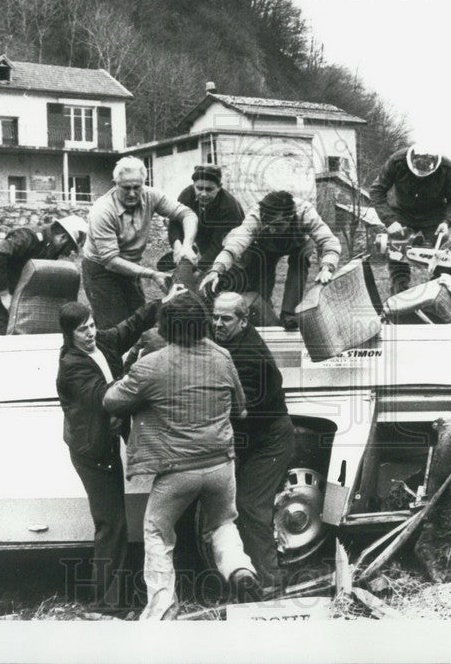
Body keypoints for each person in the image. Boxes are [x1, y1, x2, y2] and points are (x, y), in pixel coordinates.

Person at [103, 290, 259, 620]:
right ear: (203, 322)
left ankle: (163, 608)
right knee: (222, 524)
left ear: (166, 326)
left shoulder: (151, 365)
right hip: (221, 464)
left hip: (177, 470)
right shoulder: (222, 356)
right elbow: (242, 410)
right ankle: (240, 569)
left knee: (158, 533)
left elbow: (111, 401)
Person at [56, 284, 186, 612]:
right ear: (69, 334)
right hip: (92, 452)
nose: (90, 333)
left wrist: (162, 303)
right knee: (111, 526)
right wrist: (140, 368)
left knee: (114, 524)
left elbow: (130, 326)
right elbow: (107, 397)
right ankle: (104, 603)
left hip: (103, 443)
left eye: (91, 325)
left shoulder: (100, 342)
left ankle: (111, 598)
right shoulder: (72, 366)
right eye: (82, 330)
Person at [212, 292, 294, 591]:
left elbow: (238, 411)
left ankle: (271, 583)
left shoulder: (249, 357)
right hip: (254, 436)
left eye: (226, 319)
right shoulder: (231, 337)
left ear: (244, 321)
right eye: (215, 316)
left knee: (250, 506)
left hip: (269, 440)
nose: (217, 324)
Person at [82, 158, 198, 328]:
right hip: (101, 270)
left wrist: (187, 245)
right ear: (115, 184)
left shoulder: (151, 195)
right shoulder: (103, 210)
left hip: (130, 267)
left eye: (137, 187)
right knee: (114, 328)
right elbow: (110, 261)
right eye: (126, 188)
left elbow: (187, 214)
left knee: (140, 322)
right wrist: (152, 274)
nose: (132, 193)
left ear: (144, 183)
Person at [199, 190, 341, 330]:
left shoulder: (305, 212)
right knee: (262, 284)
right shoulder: (255, 217)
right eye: (269, 225)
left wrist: (327, 266)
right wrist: (217, 269)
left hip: (298, 244)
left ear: (291, 217)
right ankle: (265, 314)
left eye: (277, 225)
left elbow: (329, 241)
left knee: (300, 261)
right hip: (267, 246)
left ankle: (289, 314)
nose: (272, 230)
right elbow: (235, 245)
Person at [368, 141, 451, 295]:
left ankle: (439, 295)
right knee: (397, 254)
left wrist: (447, 222)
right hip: (403, 214)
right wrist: (390, 221)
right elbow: (377, 191)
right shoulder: (396, 161)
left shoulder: (448, 168)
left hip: (435, 217)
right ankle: (399, 294)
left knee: (442, 257)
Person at [0, 215, 87, 335]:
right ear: (63, 237)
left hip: (7, 296)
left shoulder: (48, 247)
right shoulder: (27, 236)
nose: (68, 253)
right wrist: (4, 295)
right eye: (71, 248)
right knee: (1, 335)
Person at [167, 165, 245, 273]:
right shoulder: (186, 195)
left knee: (221, 276)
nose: (203, 194)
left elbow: (218, 245)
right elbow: (175, 223)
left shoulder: (229, 206)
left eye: (209, 189)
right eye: (199, 188)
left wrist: (199, 270)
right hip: (204, 241)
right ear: (193, 185)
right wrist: (177, 245)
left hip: (232, 248)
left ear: (219, 187)